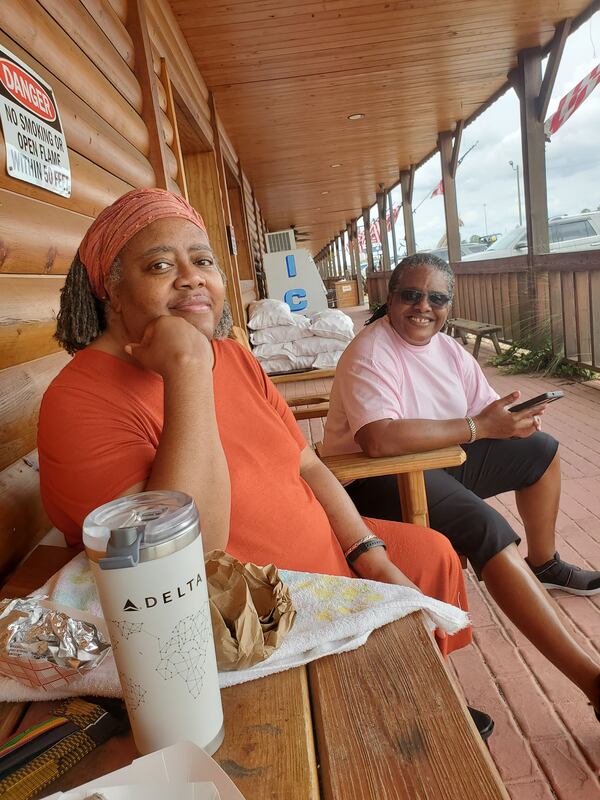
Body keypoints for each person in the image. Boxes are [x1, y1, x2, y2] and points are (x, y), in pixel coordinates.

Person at [37, 189, 494, 736]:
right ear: (108, 289)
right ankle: (400, 710)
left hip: (325, 562)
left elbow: (307, 465)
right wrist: (186, 371)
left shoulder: (231, 355)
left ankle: (430, 690)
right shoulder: (80, 398)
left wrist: (366, 552)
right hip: (245, 619)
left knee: (429, 553)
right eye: (160, 265)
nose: (191, 277)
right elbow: (187, 564)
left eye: (202, 260)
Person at [322, 252, 600, 720]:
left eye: (436, 297)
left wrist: (510, 423)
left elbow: (485, 413)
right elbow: (378, 438)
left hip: (437, 462)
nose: (422, 306)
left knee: (541, 451)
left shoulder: (449, 349)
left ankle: (544, 563)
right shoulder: (370, 350)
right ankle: (592, 682)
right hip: (370, 478)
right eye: (410, 295)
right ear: (389, 299)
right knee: (486, 527)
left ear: (449, 304)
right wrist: (476, 427)